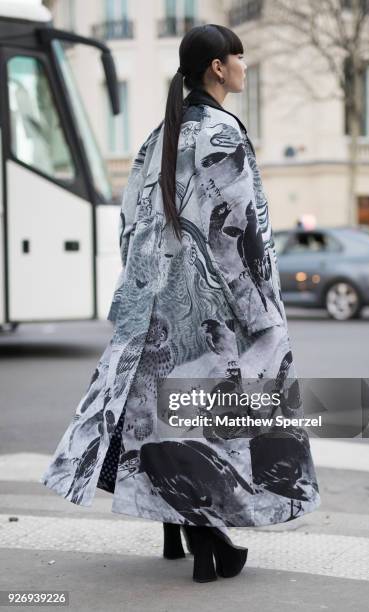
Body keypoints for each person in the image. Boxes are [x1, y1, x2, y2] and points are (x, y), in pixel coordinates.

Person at [39, 23, 321, 584]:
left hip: (154, 307)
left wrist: (141, 289)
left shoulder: (158, 135)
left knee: (163, 418)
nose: (245, 65)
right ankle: (211, 537)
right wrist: (262, 314)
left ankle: (180, 533)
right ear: (218, 67)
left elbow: (129, 224)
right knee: (214, 423)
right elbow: (241, 236)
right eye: (239, 57)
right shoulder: (223, 134)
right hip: (212, 305)